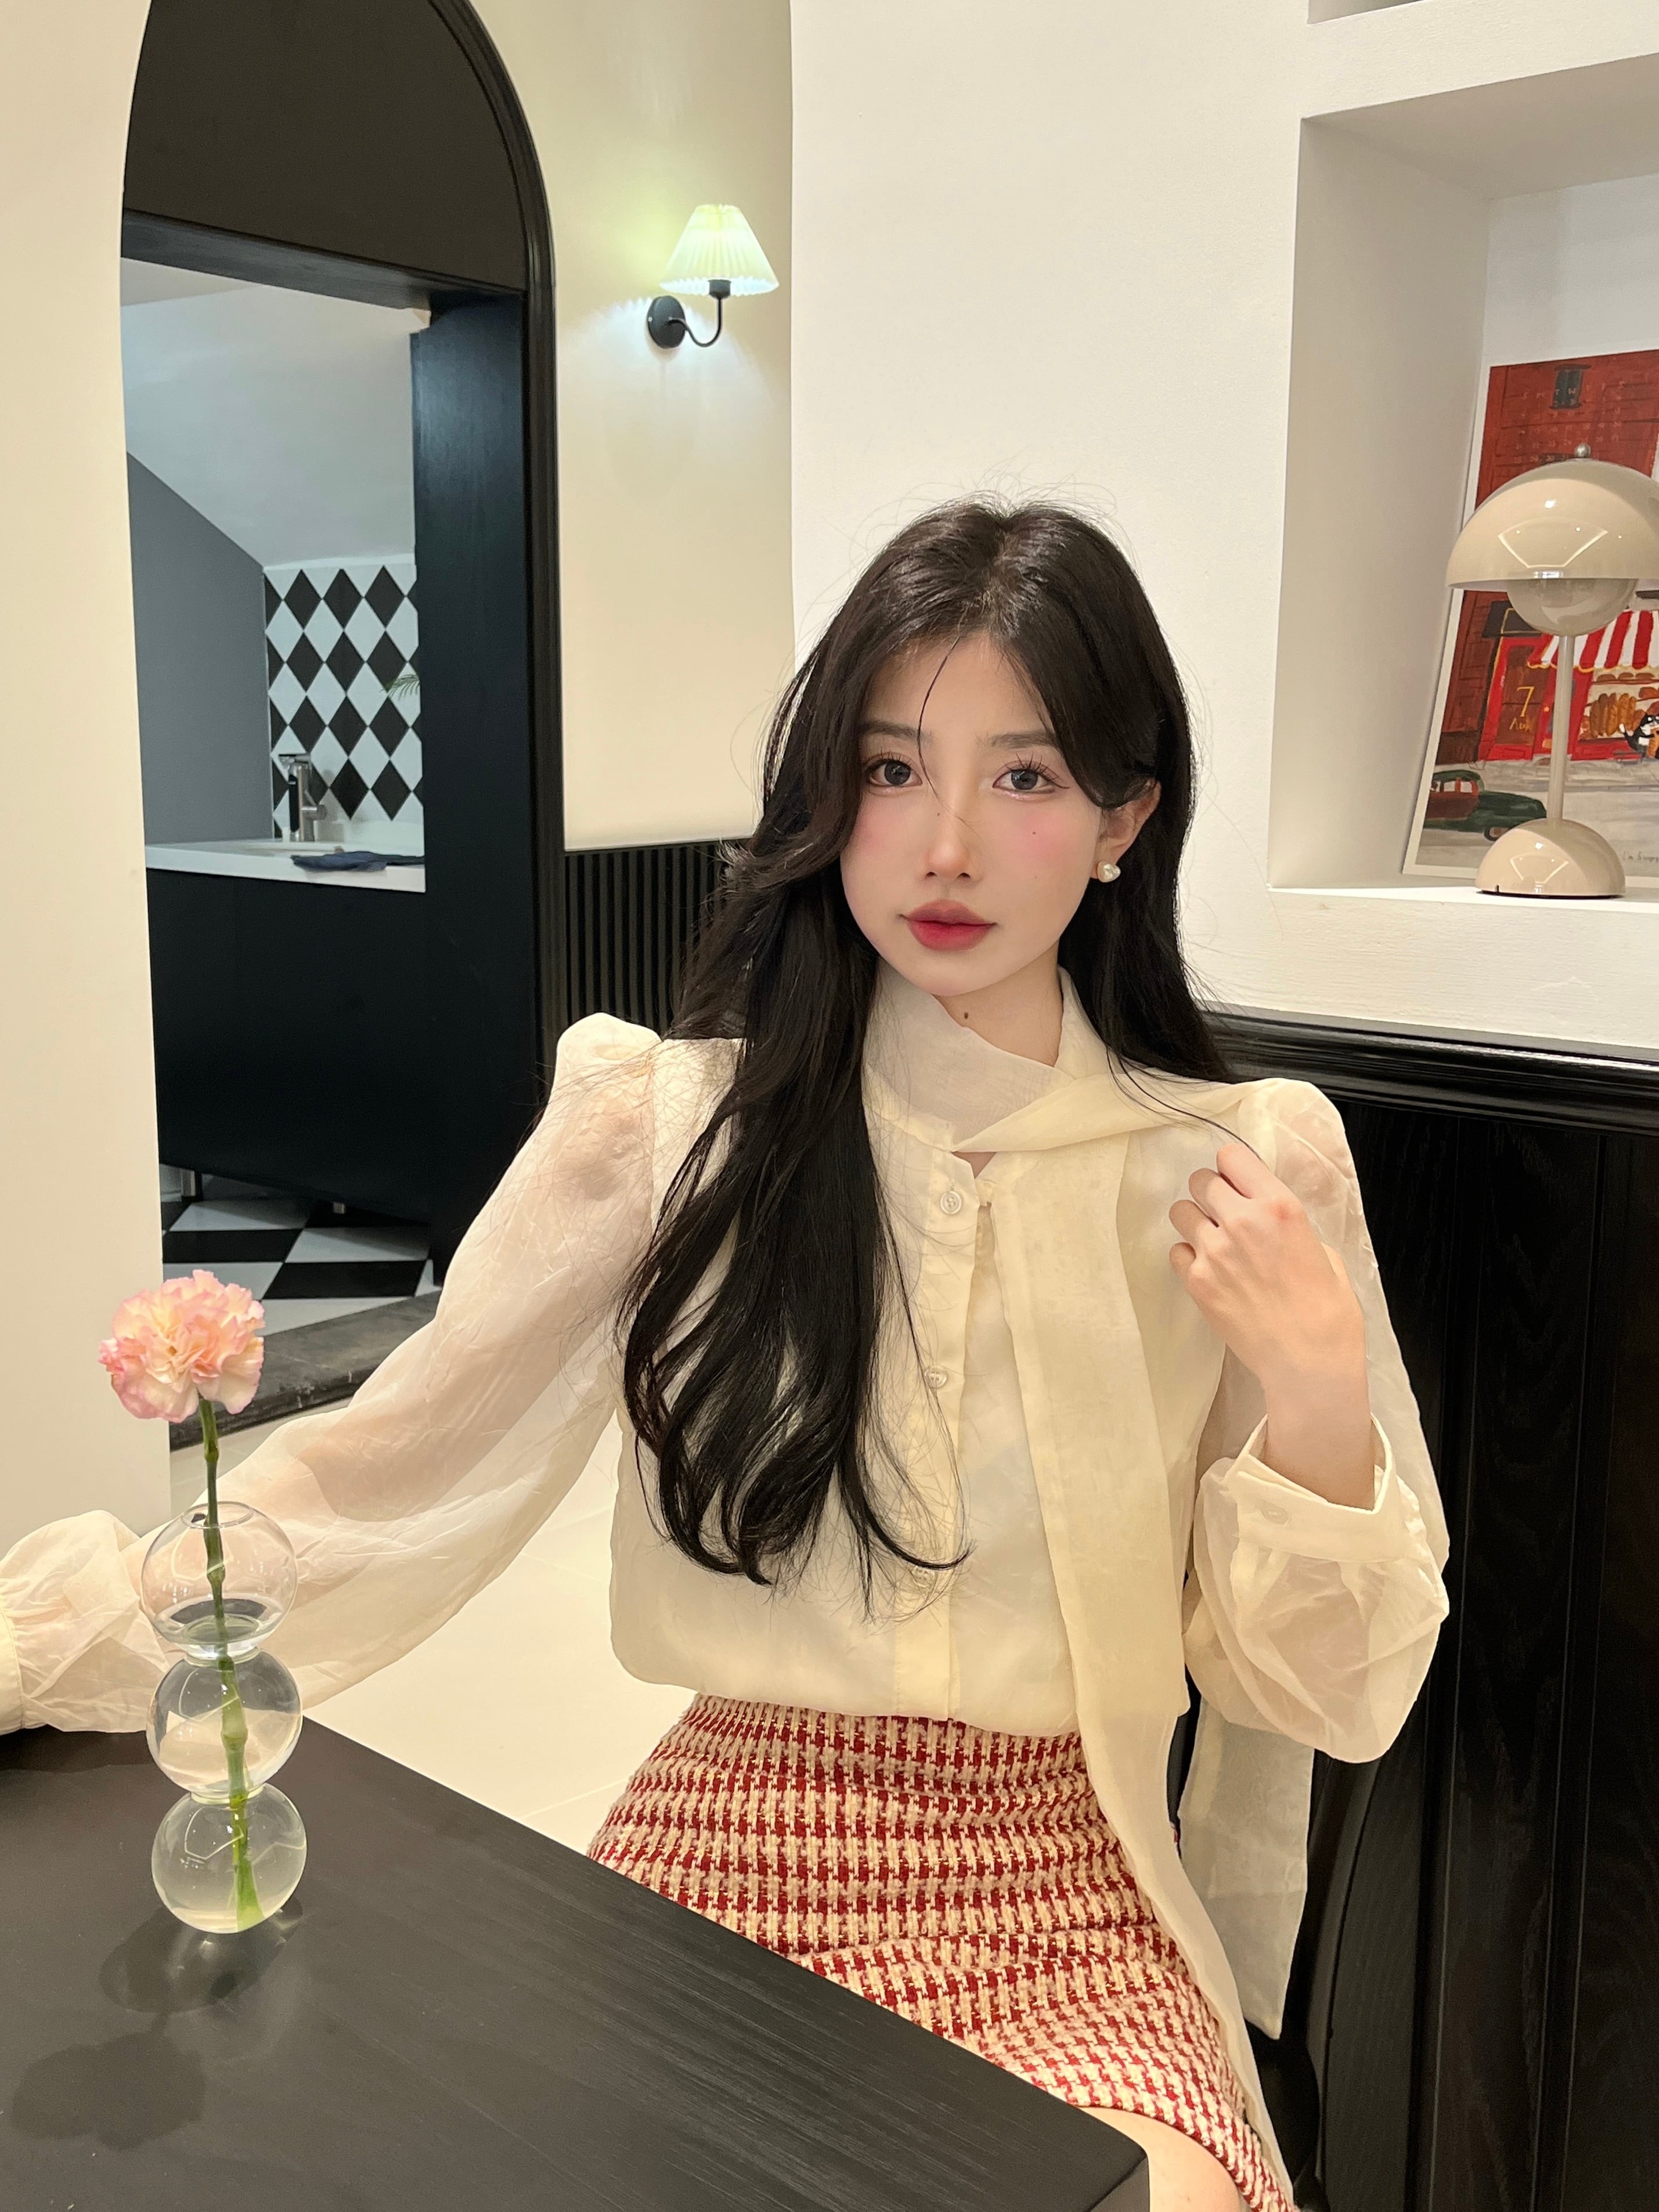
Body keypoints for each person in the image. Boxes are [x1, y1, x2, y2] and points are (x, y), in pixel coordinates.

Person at [0, 502, 1448, 2212]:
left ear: (1124, 820)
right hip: (727, 1844)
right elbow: (381, 1483)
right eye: (893, 770)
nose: (945, 850)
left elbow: (1325, 1694)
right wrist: (59, 1638)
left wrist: (1315, 1394)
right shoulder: (669, 1129)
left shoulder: (1237, 1165)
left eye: (1026, 777)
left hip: (1066, 1886)